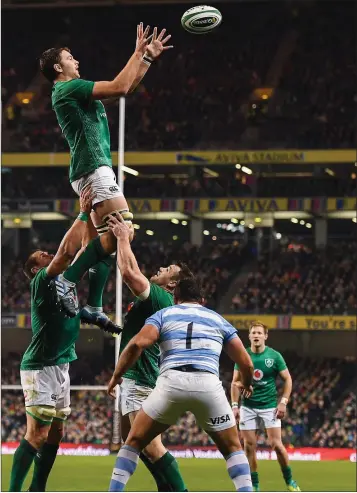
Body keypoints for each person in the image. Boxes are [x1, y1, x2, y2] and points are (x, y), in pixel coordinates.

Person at [39, 23, 173, 323]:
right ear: (59, 66)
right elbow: (120, 85)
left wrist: (147, 59)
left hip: (92, 169)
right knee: (121, 229)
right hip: (92, 168)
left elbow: (125, 89)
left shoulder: (75, 91)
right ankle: (68, 280)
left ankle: (94, 305)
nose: (76, 61)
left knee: (109, 243)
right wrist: (137, 52)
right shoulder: (67, 87)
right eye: (70, 57)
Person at [107, 276, 255, 492]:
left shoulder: (164, 314)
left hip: (171, 384)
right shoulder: (217, 319)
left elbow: (137, 344)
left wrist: (117, 375)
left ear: (175, 298)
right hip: (208, 385)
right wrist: (247, 384)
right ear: (202, 300)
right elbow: (246, 364)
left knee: (133, 442)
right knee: (233, 449)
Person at [9, 188, 97, 492]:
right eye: (41, 256)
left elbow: (88, 251)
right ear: (35, 269)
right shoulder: (41, 281)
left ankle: (38, 488)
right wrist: (84, 212)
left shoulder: (65, 281)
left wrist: (95, 216)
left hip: (61, 364)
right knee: (37, 435)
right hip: (40, 366)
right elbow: (63, 255)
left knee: (56, 433)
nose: (48, 254)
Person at [106, 214, 189, 491]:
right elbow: (128, 268)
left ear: (172, 284)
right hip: (141, 377)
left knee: (151, 447)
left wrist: (121, 238)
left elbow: (129, 273)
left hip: (141, 379)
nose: (160, 268)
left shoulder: (161, 297)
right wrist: (124, 244)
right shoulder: (160, 299)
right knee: (138, 446)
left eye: (166, 269)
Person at [231, 321, 301, 492]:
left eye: (259, 333)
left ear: (265, 336)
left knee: (276, 444)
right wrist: (235, 405)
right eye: (253, 333)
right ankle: (254, 485)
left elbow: (288, 379)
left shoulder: (274, 356)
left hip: (269, 406)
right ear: (249, 336)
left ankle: (289, 480)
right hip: (248, 407)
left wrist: (283, 402)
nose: (256, 335)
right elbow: (235, 382)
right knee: (249, 445)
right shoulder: (243, 355)